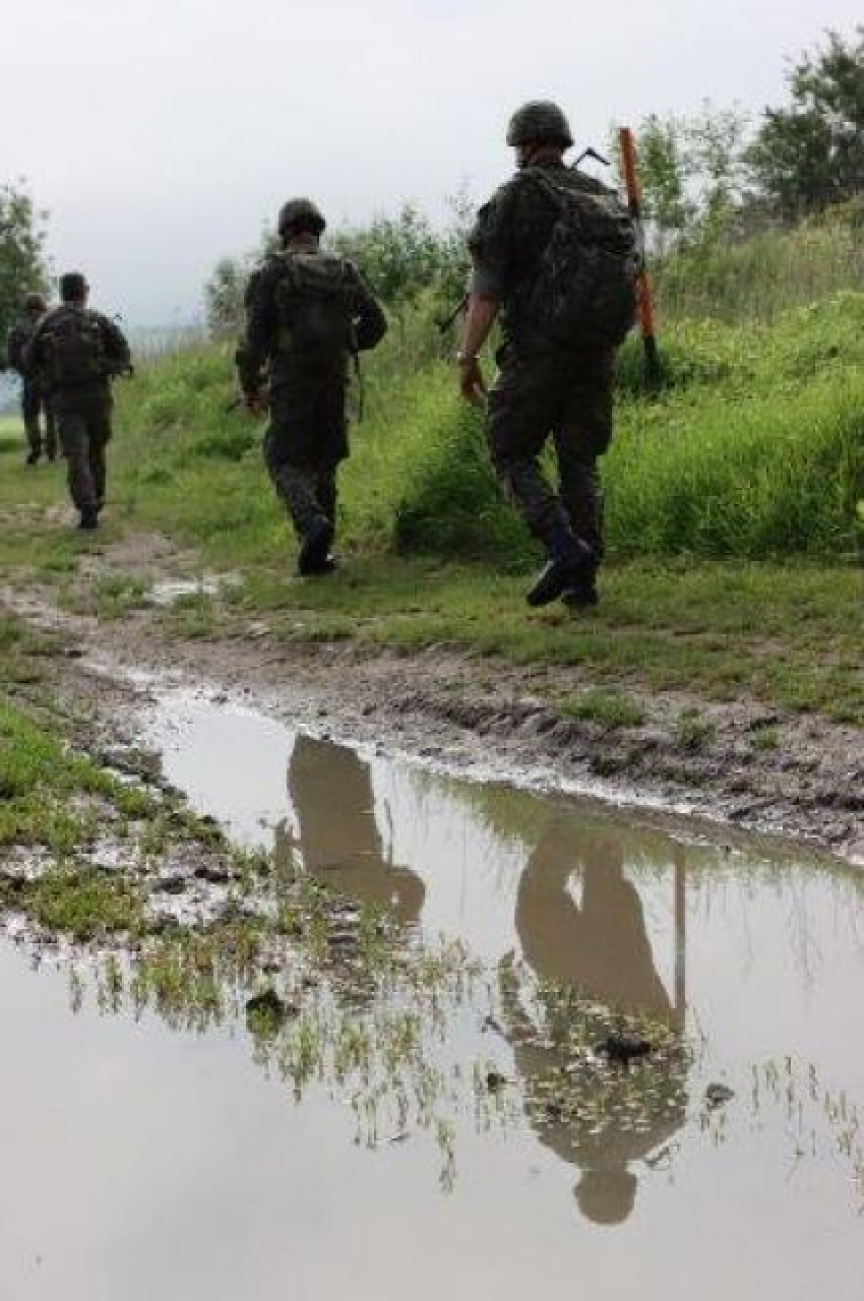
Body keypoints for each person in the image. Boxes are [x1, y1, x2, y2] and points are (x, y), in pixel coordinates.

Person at [459, 100, 636, 609]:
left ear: (523, 144)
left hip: (538, 351)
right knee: (579, 459)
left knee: (509, 449)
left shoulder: (514, 198)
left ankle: (562, 547)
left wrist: (467, 358)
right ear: (561, 141)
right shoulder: (603, 196)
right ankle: (584, 580)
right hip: (597, 350)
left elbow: (486, 293)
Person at [236, 198, 388, 575]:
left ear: (285, 232)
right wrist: (345, 343)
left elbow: (252, 341)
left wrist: (251, 386)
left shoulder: (274, 271)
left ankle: (311, 524)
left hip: (290, 380)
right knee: (325, 459)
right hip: (335, 377)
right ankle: (319, 555)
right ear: (317, 230)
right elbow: (377, 324)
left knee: (281, 456)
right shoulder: (344, 270)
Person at [25, 272, 131, 530]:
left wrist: (47, 379)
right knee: (96, 451)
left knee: (76, 455)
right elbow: (123, 353)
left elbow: (29, 358)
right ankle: (97, 499)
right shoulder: (97, 319)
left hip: (65, 399)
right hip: (98, 397)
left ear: (62, 293)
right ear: (85, 291)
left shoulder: (47, 322)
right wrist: (105, 368)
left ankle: (87, 509)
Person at [5, 291, 57, 466]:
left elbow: (12, 358)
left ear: (26, 308)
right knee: (51, 414)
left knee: (30, 414)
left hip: (30, 378)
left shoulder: (18, 330)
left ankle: (35, 447)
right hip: (49, 378)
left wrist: (25, 373)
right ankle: (52, 449)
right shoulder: (51, 327)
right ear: (42, 306)